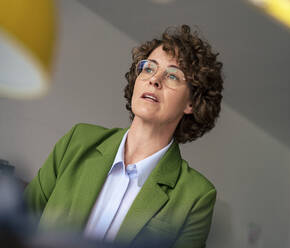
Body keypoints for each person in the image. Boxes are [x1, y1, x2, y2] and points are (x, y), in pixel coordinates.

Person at [24, 24, 224, 248]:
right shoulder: (78, 141)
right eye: (149, 68)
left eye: (173, 76)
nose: (154, 80)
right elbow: (19, 226)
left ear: (191, 102)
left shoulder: (197, 196)